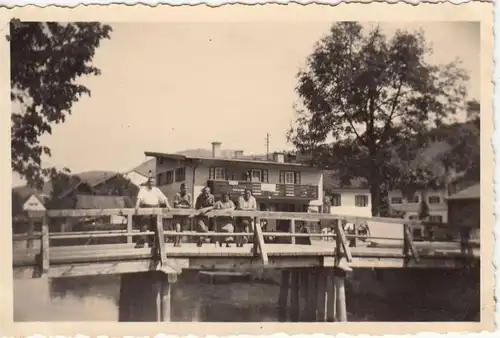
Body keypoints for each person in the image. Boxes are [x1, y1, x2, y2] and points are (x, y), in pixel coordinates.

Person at [134, 176, 172, 248]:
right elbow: (139, 198)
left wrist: (168, 206)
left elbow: (164, 198)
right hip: (146, 208)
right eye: (150, 182)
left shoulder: (156, 190)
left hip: (155, 208)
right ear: (148, 182)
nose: (151, 183)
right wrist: (136, 206)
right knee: (144, 226)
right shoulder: (143, 189)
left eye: (153, 182)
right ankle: (140, 243)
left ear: (154, 183)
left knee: (155, 226)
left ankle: (153, 244)